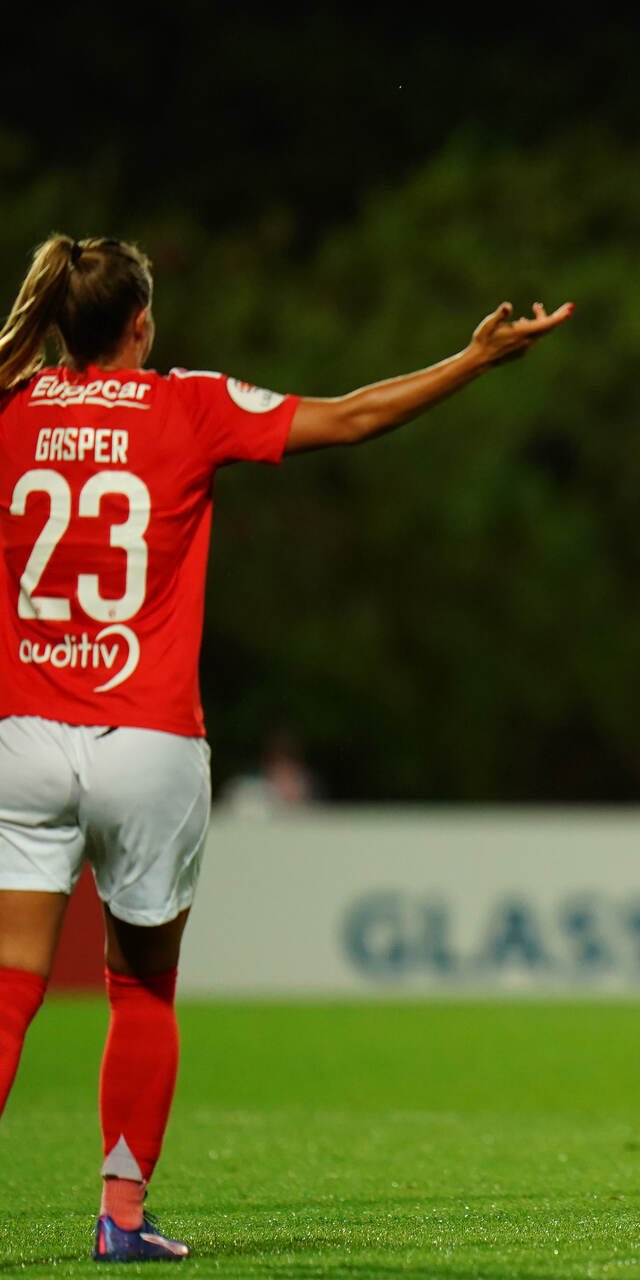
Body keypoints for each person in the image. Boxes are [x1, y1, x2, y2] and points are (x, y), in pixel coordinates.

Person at [0, 234, 569, 1261]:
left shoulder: (13, 407)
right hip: (147, 739)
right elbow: (351, 417)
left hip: (25, 735)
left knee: (9, 987)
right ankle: (120, 1218)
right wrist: (474, 359)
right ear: (140, 323)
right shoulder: (187, 404)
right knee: (141, 986)